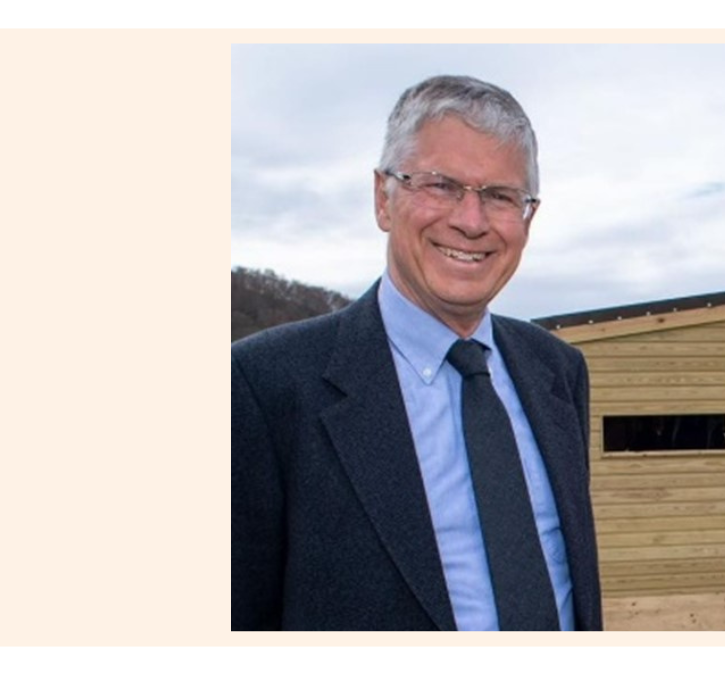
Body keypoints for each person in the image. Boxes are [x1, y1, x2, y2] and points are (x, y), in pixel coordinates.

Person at [232, 75, 601, 631]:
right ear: (384, 198)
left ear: (527, 217)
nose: (470, 222)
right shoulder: (263, 386)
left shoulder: (558, 371)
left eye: (500, 196)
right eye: (441, 185)